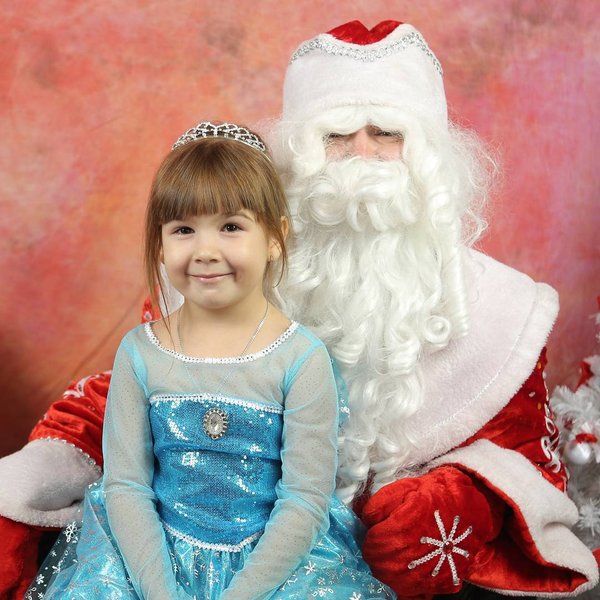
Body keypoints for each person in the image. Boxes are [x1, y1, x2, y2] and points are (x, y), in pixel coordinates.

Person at [1, 19, 599, 599]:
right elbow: (132, 405)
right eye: (335, 135)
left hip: (307, 562)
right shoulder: (221, 274)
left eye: (386, 132)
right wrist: (27, 483)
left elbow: (526, 456)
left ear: (431, 156)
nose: (362, 154)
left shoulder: (502, 312)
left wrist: (456, 503)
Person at [26, 122, 394, 599]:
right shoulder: (141, 352)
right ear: (160, 244)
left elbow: (304, 500)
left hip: (275, 567)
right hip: (151, 560)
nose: (205, 251)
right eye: (183, 229)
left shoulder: (301, 359)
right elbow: (127, 487)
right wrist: (160, 592)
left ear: (275, 238)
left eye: (231, 227)